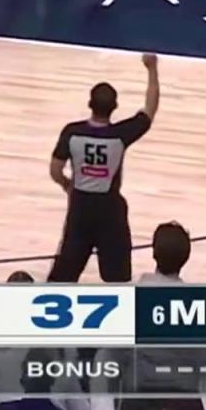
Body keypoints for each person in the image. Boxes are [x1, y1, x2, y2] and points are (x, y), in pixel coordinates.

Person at [47, 53, 160, 282]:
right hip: (110, 210)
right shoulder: (120, 135)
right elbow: (150, 109)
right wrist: (151, 68)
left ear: (90, 104)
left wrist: (68, 185)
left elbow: (55, 170)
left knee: (63, 276)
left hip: (80, 208)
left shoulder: (72, 132)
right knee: (117, 279)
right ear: (114, 107)